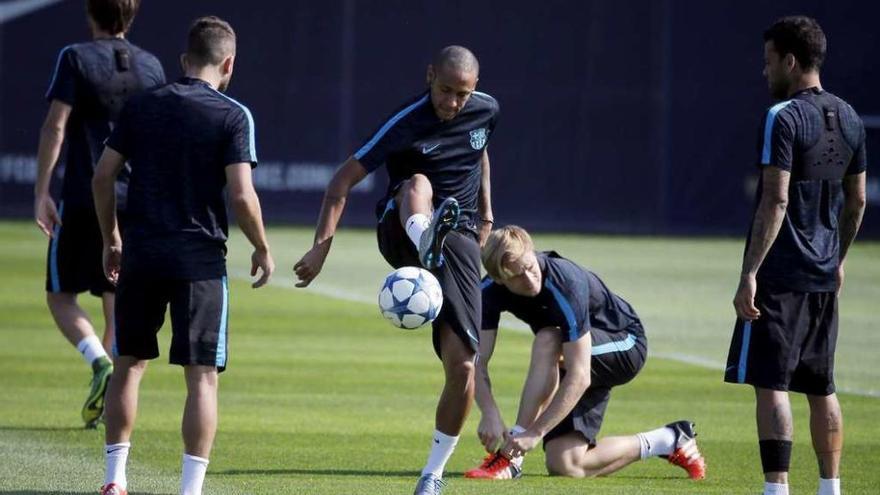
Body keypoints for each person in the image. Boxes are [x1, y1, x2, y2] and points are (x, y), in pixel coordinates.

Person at [294, 45, 499, 495]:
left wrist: (486, 216)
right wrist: (320, 249)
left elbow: (480, 152)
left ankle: (432, 474)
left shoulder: (486, 111)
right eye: (445, 90)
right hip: (400, 229)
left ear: (475, 89)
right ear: (430, 77)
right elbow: (340, 181)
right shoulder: (404, 120)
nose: (452, 103)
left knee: (464, 366)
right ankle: (426, 235)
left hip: (460, 236)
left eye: (462, 95)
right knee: (418, 184)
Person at [92, 16, 274, 495]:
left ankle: (114, 481)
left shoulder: (142, 106)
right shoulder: (233, 114)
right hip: (200, 259)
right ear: (229, 63)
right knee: (202, 378)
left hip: (143, 253)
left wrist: (112, 237)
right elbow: (241, 195)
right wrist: (261, 246)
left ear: (182, 60)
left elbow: (102, 176)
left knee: (128, 363)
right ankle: (190, 490)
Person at [725, 16, 867, 495]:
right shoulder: (849, 117)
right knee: (822, 387)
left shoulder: (782, 116)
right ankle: (831, 487)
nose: (765, 72)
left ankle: (777, 489)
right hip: (825, 275)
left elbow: (777, 199)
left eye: (769, 62)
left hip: (781, 273)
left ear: (790, 60)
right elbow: (858, 200)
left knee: (774, 384)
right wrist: (839, 258)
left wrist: (750, 272)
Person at [467, 226, 706, 481]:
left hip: (625, 343)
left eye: (530, 267)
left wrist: (533, 433)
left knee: (548, 339)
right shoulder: (489, 292)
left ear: (532, 252)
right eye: (517, 276)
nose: (530, 279)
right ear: (500, 279)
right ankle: (669, 440)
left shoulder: (565, 282)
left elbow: (580, 375)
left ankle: (510, 459)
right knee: (566, 464)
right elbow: (476, 360)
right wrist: (489, 412)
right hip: (576, 352)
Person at [33, 0, 165, 429]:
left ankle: (99, 364)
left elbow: (56, 125)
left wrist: (41, 192)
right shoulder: (152, 66)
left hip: (85, 195)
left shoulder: (74, 57)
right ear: (132, 16)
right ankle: (109, 387)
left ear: (92, 14)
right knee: (115, 299)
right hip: (135, 202)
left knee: (60, 294)